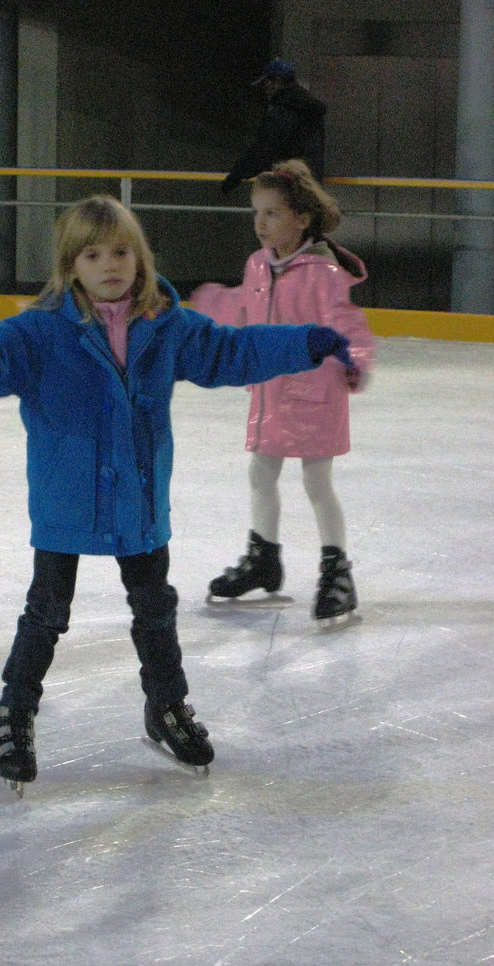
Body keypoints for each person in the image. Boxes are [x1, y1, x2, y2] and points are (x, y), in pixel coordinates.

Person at [0, 193, 355, 790]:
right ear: (72, 267)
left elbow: (232, 351)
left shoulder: (165, 325)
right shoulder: (43, 331)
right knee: (46, 613)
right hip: (68, 501)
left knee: (155, 610)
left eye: (120, 251)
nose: (110, 265)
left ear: (139, 258)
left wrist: (304, 343)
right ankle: (16, 711)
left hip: (139, 499)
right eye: (93, 255)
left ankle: (165, 707)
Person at [191, 160, 376, 624]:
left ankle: (337, 570)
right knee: (261, 474)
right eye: (257, 213)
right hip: (271, 395)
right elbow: (241, 306)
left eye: (272, 213)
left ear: (302, 218)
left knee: (317, 483)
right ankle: (263, 558)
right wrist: (205, 301)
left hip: (315, 395)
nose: (260, 223)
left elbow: (347, 323)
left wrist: (355, 359)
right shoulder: (258, 265)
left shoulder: (323, 274)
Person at [221, 58, 326, 196]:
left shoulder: (281, 112)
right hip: (310, 185)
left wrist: (236, 176)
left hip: (288, 185)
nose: (265, 89)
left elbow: (264, 150)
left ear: (276, 82)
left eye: (266, 83)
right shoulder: (311, 111)